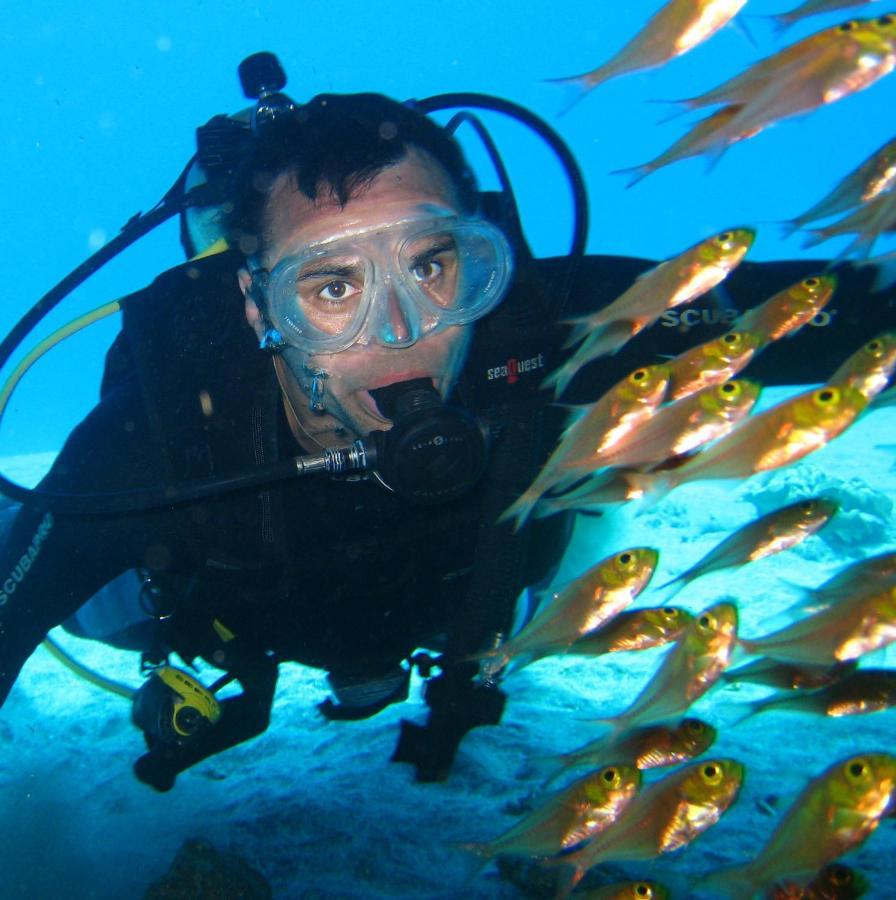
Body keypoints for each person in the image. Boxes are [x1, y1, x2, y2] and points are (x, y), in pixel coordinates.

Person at [0, 82, 893, 793]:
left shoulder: (550, 330)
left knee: (587, 518)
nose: (397, 332)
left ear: (480, 263)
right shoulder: (167, 427)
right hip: (221, 609)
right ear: (256, 307)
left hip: (465, 599)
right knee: (95, 594)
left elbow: (811, 316)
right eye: (332, 287)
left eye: (431, 266)